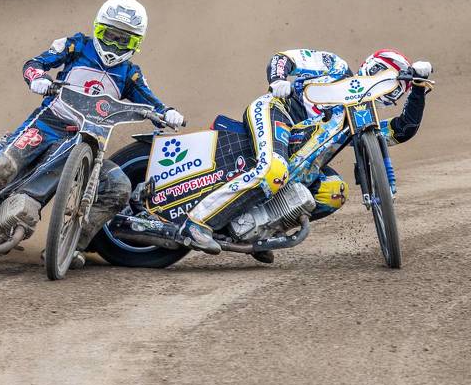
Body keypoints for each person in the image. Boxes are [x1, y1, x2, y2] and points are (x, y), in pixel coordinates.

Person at [0, 0, 202, 261]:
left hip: (91, 141)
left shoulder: (131, 75)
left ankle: (70, 247)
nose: (113, 45)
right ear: (98, 29)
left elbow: (152, 102)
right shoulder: (77, 45)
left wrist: (168, 113)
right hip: (49, 124)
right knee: (2, 168)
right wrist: (37, 78)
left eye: (123, 40)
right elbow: (35, 63)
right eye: (109, 36)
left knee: (118, 188)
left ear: (136, 43)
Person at [178, 48, 433, 263]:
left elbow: (402, 130)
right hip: (277, 110)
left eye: (398, 90)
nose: (392, 93)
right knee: (274, 170)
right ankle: (196, 223)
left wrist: (419, 89)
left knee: (334, 192)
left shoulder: (361, 122)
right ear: (375, 69)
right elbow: (283, 58)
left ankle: (259, 232)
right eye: (391, 83)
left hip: (300, 165)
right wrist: (278, 80)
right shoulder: (336, 66)